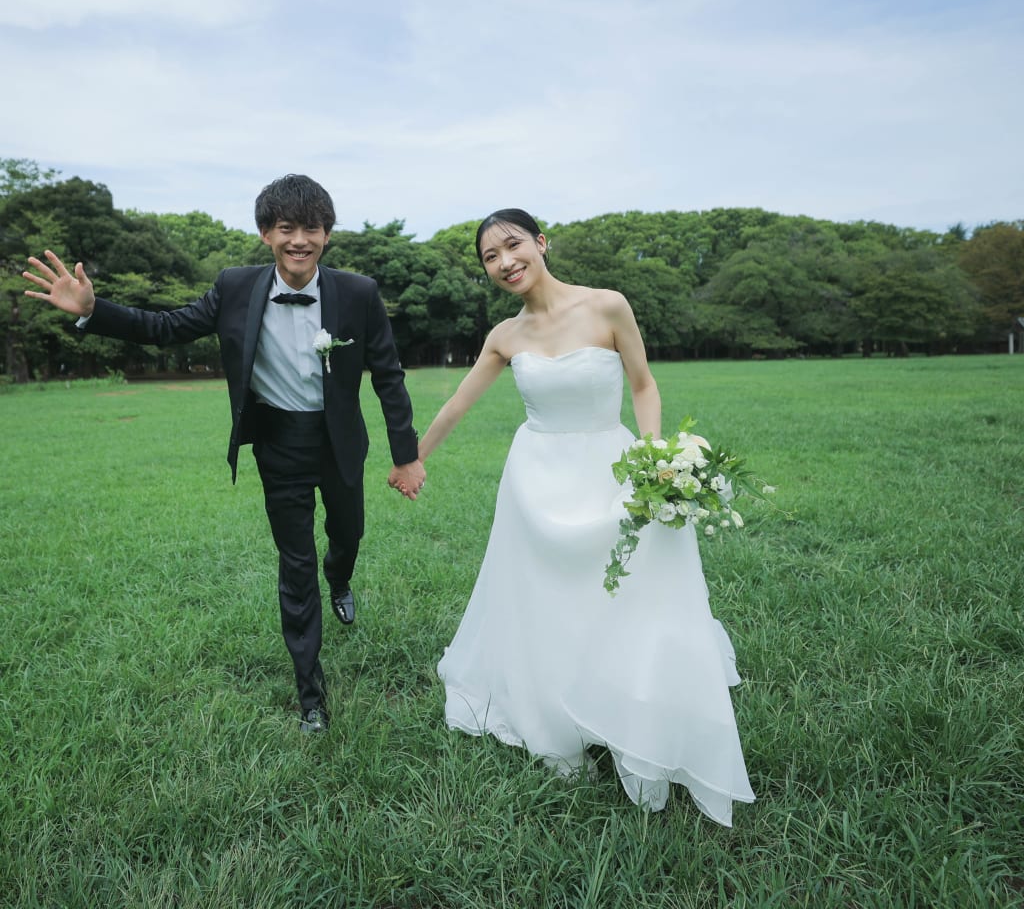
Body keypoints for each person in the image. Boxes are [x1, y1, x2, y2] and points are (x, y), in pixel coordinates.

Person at [23, 174, 425, 734]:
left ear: (327, 235)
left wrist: (406, 455)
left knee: (347, 535)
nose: (299, 240)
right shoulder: (234, 288)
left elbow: (388, 376)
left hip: (339, 444)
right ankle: (312, 696)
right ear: (266, 233)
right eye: (287, 229)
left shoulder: (358, 292)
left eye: (312, 228)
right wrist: (96, 309)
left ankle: (342, 578)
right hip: (277, 446)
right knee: (295, 566)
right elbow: (166, 327)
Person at [413, 208, 755, 822]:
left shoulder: (607, 305)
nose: (504, 262)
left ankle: (633, 700)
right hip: (537, 478)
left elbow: (644, 384)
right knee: (546, 597)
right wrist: (411, 459)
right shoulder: (504, 336)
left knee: (632, 591)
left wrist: (655, 461)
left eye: (513, 245)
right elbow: (459, 404)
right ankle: (557, 703)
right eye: (490, 257)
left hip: (612, 466)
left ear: (541, 243)